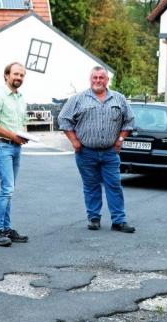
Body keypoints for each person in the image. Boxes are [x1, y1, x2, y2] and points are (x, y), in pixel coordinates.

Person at [58, 66, 136, 234]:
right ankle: (94, 218)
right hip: (86, 152)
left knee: (114, 185)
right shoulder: (78, 99)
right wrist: (74, 141)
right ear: (90, 79)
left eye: (101, 77)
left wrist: (120, 140)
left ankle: (119, 221)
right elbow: (63, 119)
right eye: (95, 78)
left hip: (110, 152)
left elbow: (129, 121)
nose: (98, 81)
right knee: (91, 185)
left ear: (107, 80)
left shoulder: (119, 99)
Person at [0, 62, 29, 247]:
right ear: (6, 75)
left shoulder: (20, 98)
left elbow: (22, 123)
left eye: (22, 75)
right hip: (1, 147)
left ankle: (6, 228)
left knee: (9, 190)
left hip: (15, 147)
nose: (19, 77)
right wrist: (14, 136)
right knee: (7, 189)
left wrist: (24, 135)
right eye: (16, 74)